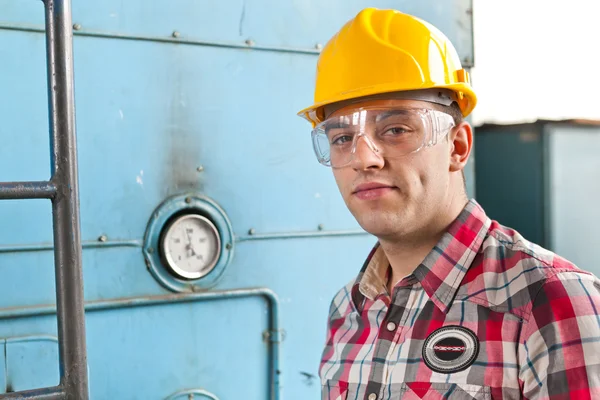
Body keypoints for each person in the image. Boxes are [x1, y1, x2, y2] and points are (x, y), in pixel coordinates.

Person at [297, 7, 600, 400]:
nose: (364, 158)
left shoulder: (551, 303)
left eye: (395, 130)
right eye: (341, 138)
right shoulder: (348, 309)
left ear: (457, 147)